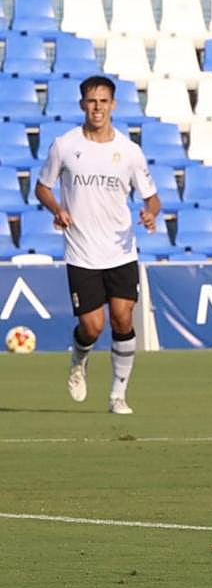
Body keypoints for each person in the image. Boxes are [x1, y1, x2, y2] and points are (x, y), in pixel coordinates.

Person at [35, 75, 160, 415]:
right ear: (82, 104)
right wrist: (57, 209)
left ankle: (118, 395)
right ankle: (79, 359)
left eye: (103, 101)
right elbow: (42, 187)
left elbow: (152, 197)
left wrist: (149, 214)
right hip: (81, 251)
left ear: (113, 105)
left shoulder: (129, 151)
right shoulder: (65, 145)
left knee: (122, 319)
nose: (97, 107)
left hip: (120, 249)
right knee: (93, 326)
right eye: (92, 101)